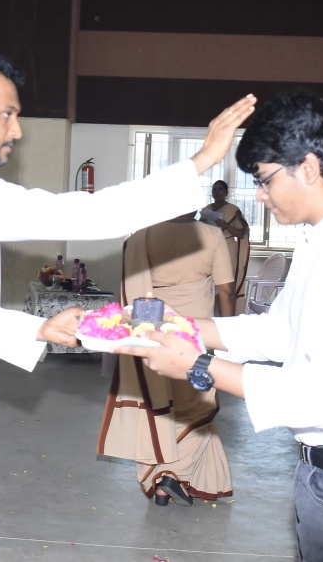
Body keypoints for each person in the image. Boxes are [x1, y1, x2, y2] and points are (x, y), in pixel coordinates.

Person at [0, 50, 256, 560]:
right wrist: (199, 161)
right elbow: (85, 215)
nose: (16, 130)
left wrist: (34, 330)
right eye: (6, 114)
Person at [117, 88, 323, 562]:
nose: (261, 196)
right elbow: (280, 331)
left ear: (308, 167)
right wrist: (186, 326)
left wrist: (198, 364)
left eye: (264, 181)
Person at [98, 212, 235, 505]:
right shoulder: (212, 235)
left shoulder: (143, 236)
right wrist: (229, 332)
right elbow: (225, 289)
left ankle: (162, 479)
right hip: (199, 333)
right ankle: (171, 477)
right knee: (198, 405)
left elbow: (135, 288)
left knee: (159, 404)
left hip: (155, 330)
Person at [198, 179, 250, 298]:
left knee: (224, 284)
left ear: (226, 193)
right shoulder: (207, 209)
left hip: (226, 248)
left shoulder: (233, 210)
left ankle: (225, 308)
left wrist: (226, 226)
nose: (217, 192)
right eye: (214, 189)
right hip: (209, 249)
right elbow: (200, 229)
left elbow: (241, 234)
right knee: (209, 286)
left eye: (220, 189)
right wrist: (201, 222)